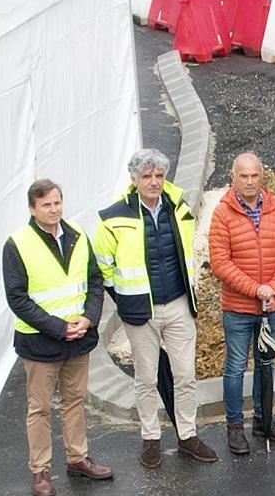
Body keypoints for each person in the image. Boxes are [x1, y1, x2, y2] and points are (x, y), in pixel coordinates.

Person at [92, 148, 216, 467]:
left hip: (178, 304)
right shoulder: (113, 218)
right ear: (134, 179)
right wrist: (125, 299)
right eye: (146, 176)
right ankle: (150, 438)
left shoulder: (178, 206)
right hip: (140, 312)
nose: (154, 182)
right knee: (146, 378)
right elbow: (103, 266)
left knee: (185, 375)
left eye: (159, 175)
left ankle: (187, 435)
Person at [5, 179, 114, 496]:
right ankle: (40, 471)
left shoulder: (77, 234)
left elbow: (94, 281)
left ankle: (77, 458)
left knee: (74, 402)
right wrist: (59, 327)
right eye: (46, 205)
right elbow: (17, 298)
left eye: (57, 203)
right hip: (41, 343)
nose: (54, 210)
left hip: (78, 338)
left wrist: (89, 318)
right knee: (39, 409)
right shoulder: (17, 244)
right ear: (32, 209)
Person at [208, 153, 275, 455]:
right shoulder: (223, 213)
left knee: (267, 365)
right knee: (235, 367)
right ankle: (235, 426)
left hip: (272, 306)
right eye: (243, 176)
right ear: (233, 177)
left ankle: (264, 419)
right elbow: (220, 262)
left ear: (262, 176)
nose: (249, 181)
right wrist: (256, 289)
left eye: (254, 175)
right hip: (238, 307)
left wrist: (273, 287)